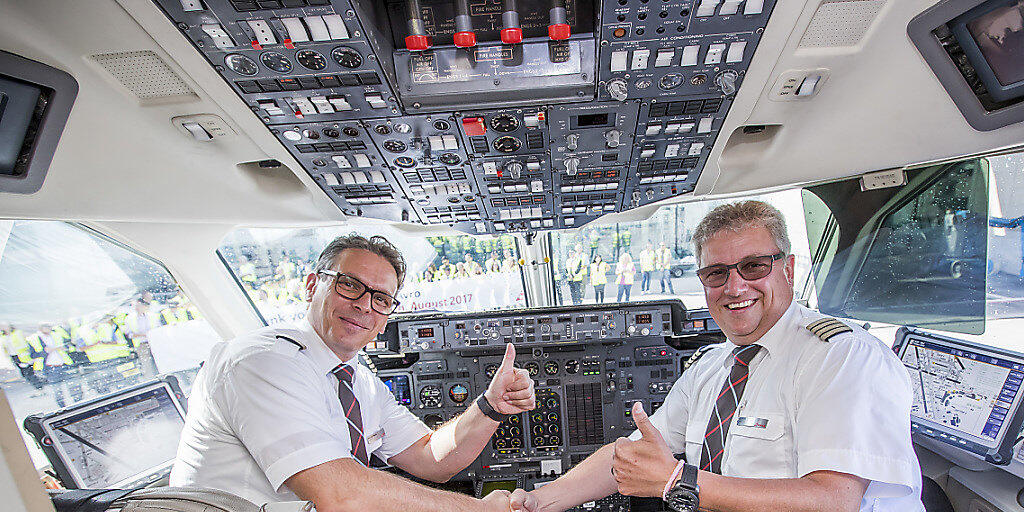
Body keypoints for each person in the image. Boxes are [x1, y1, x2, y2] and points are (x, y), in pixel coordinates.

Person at [509, 200, 923, 512]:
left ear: (790, 270)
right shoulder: (712, 367)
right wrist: (536, 502)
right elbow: (629, 457)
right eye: (716, 273)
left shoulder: (841, 358)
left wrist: (676, 479)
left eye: (754, 266)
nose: (735, 287)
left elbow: (835, 500)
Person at [171, 234, 535, 511]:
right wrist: (478, 508)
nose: (364, 305)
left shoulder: (359, 381)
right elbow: (339, 494)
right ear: (313, 286)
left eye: (381, 298)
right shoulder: (262, 362)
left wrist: (490, 407)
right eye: (350, 285)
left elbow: (430, 458)